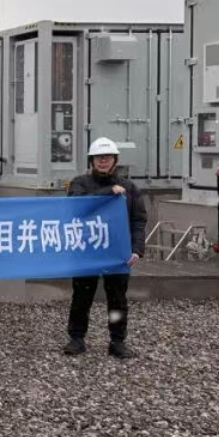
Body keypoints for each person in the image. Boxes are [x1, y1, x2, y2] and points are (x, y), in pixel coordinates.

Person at [63, 137, 145, 359]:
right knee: (82, 296)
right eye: (98, 157)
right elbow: (75, 206)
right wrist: (109, 191)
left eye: (107, 157)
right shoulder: (79, 183)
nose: (103, 161)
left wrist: (137, 249)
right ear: (91, 160)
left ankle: (117, 341)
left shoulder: (129, 188)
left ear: (115, 160)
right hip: (86, 251)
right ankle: (77, 338)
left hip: (117, 252)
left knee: (117, 299)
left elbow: (138, 220)